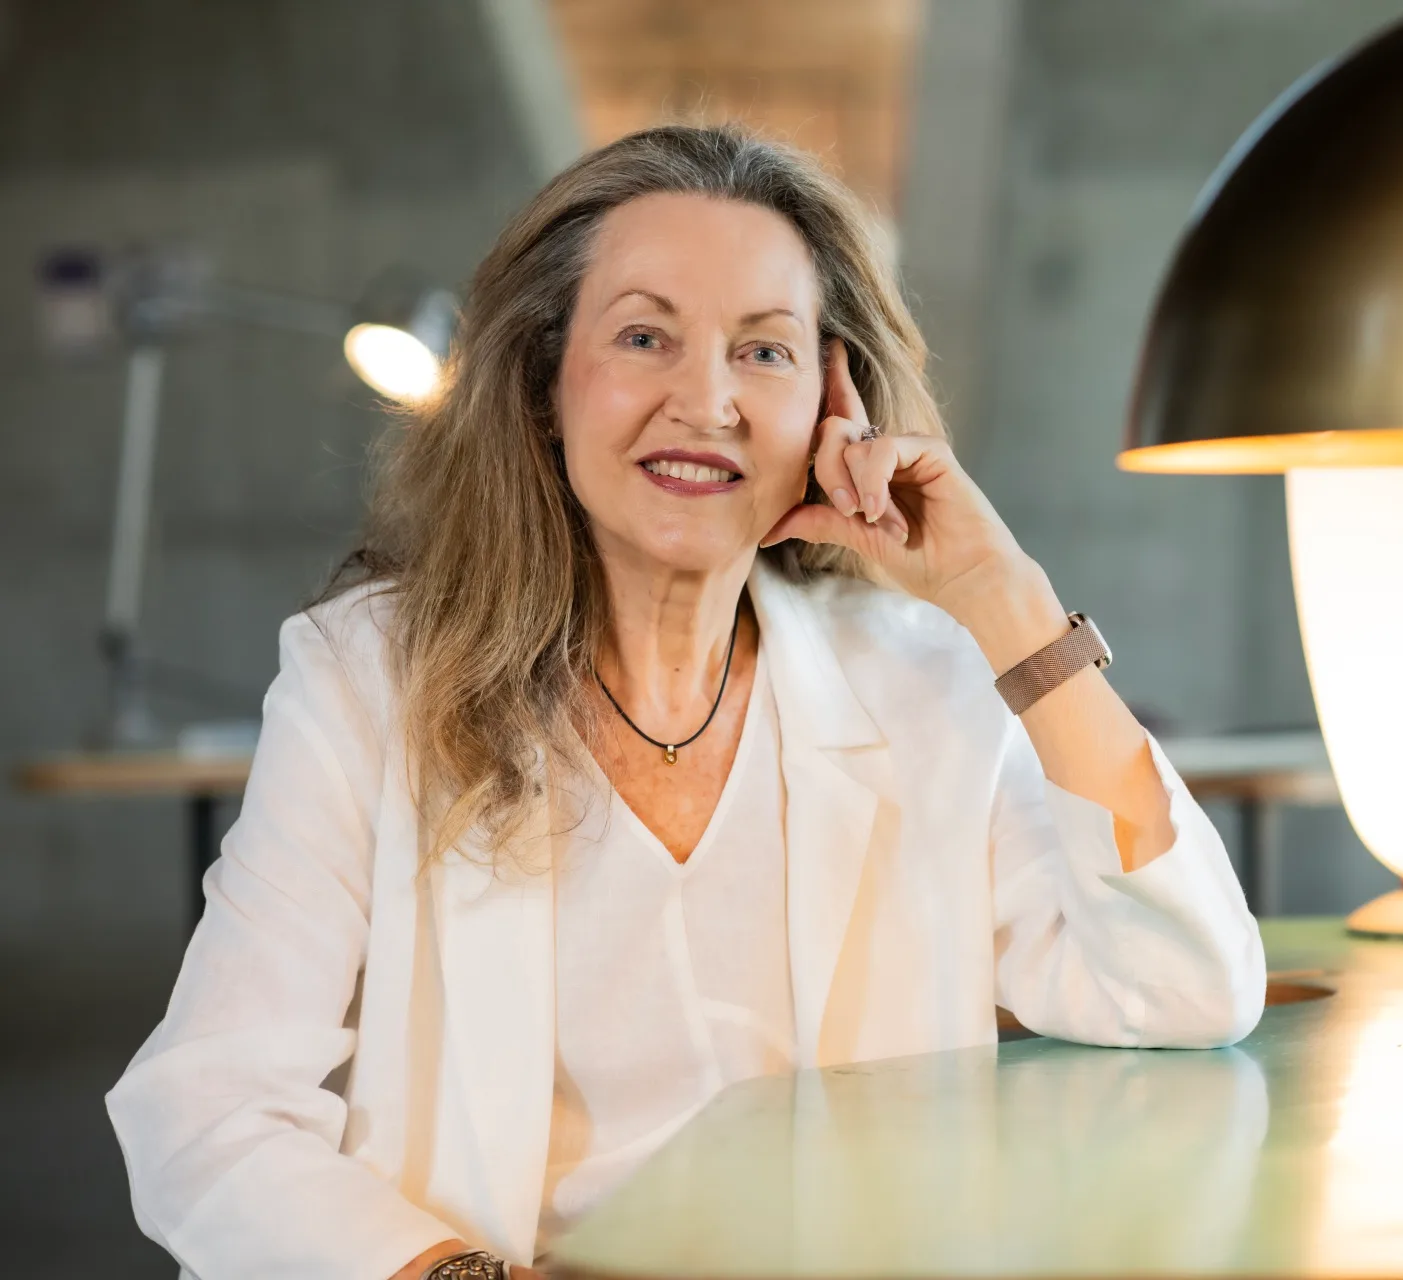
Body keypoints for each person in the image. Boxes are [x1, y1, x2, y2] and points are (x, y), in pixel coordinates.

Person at [106, 125, 1266, 1280]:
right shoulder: (368, 677)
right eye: (645, 335)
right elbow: (206, 1113)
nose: (706, 399)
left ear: (832, 404)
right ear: (545, 383)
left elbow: (1183, 985)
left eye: (764, 352)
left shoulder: (919, 677)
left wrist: (1006, 600)